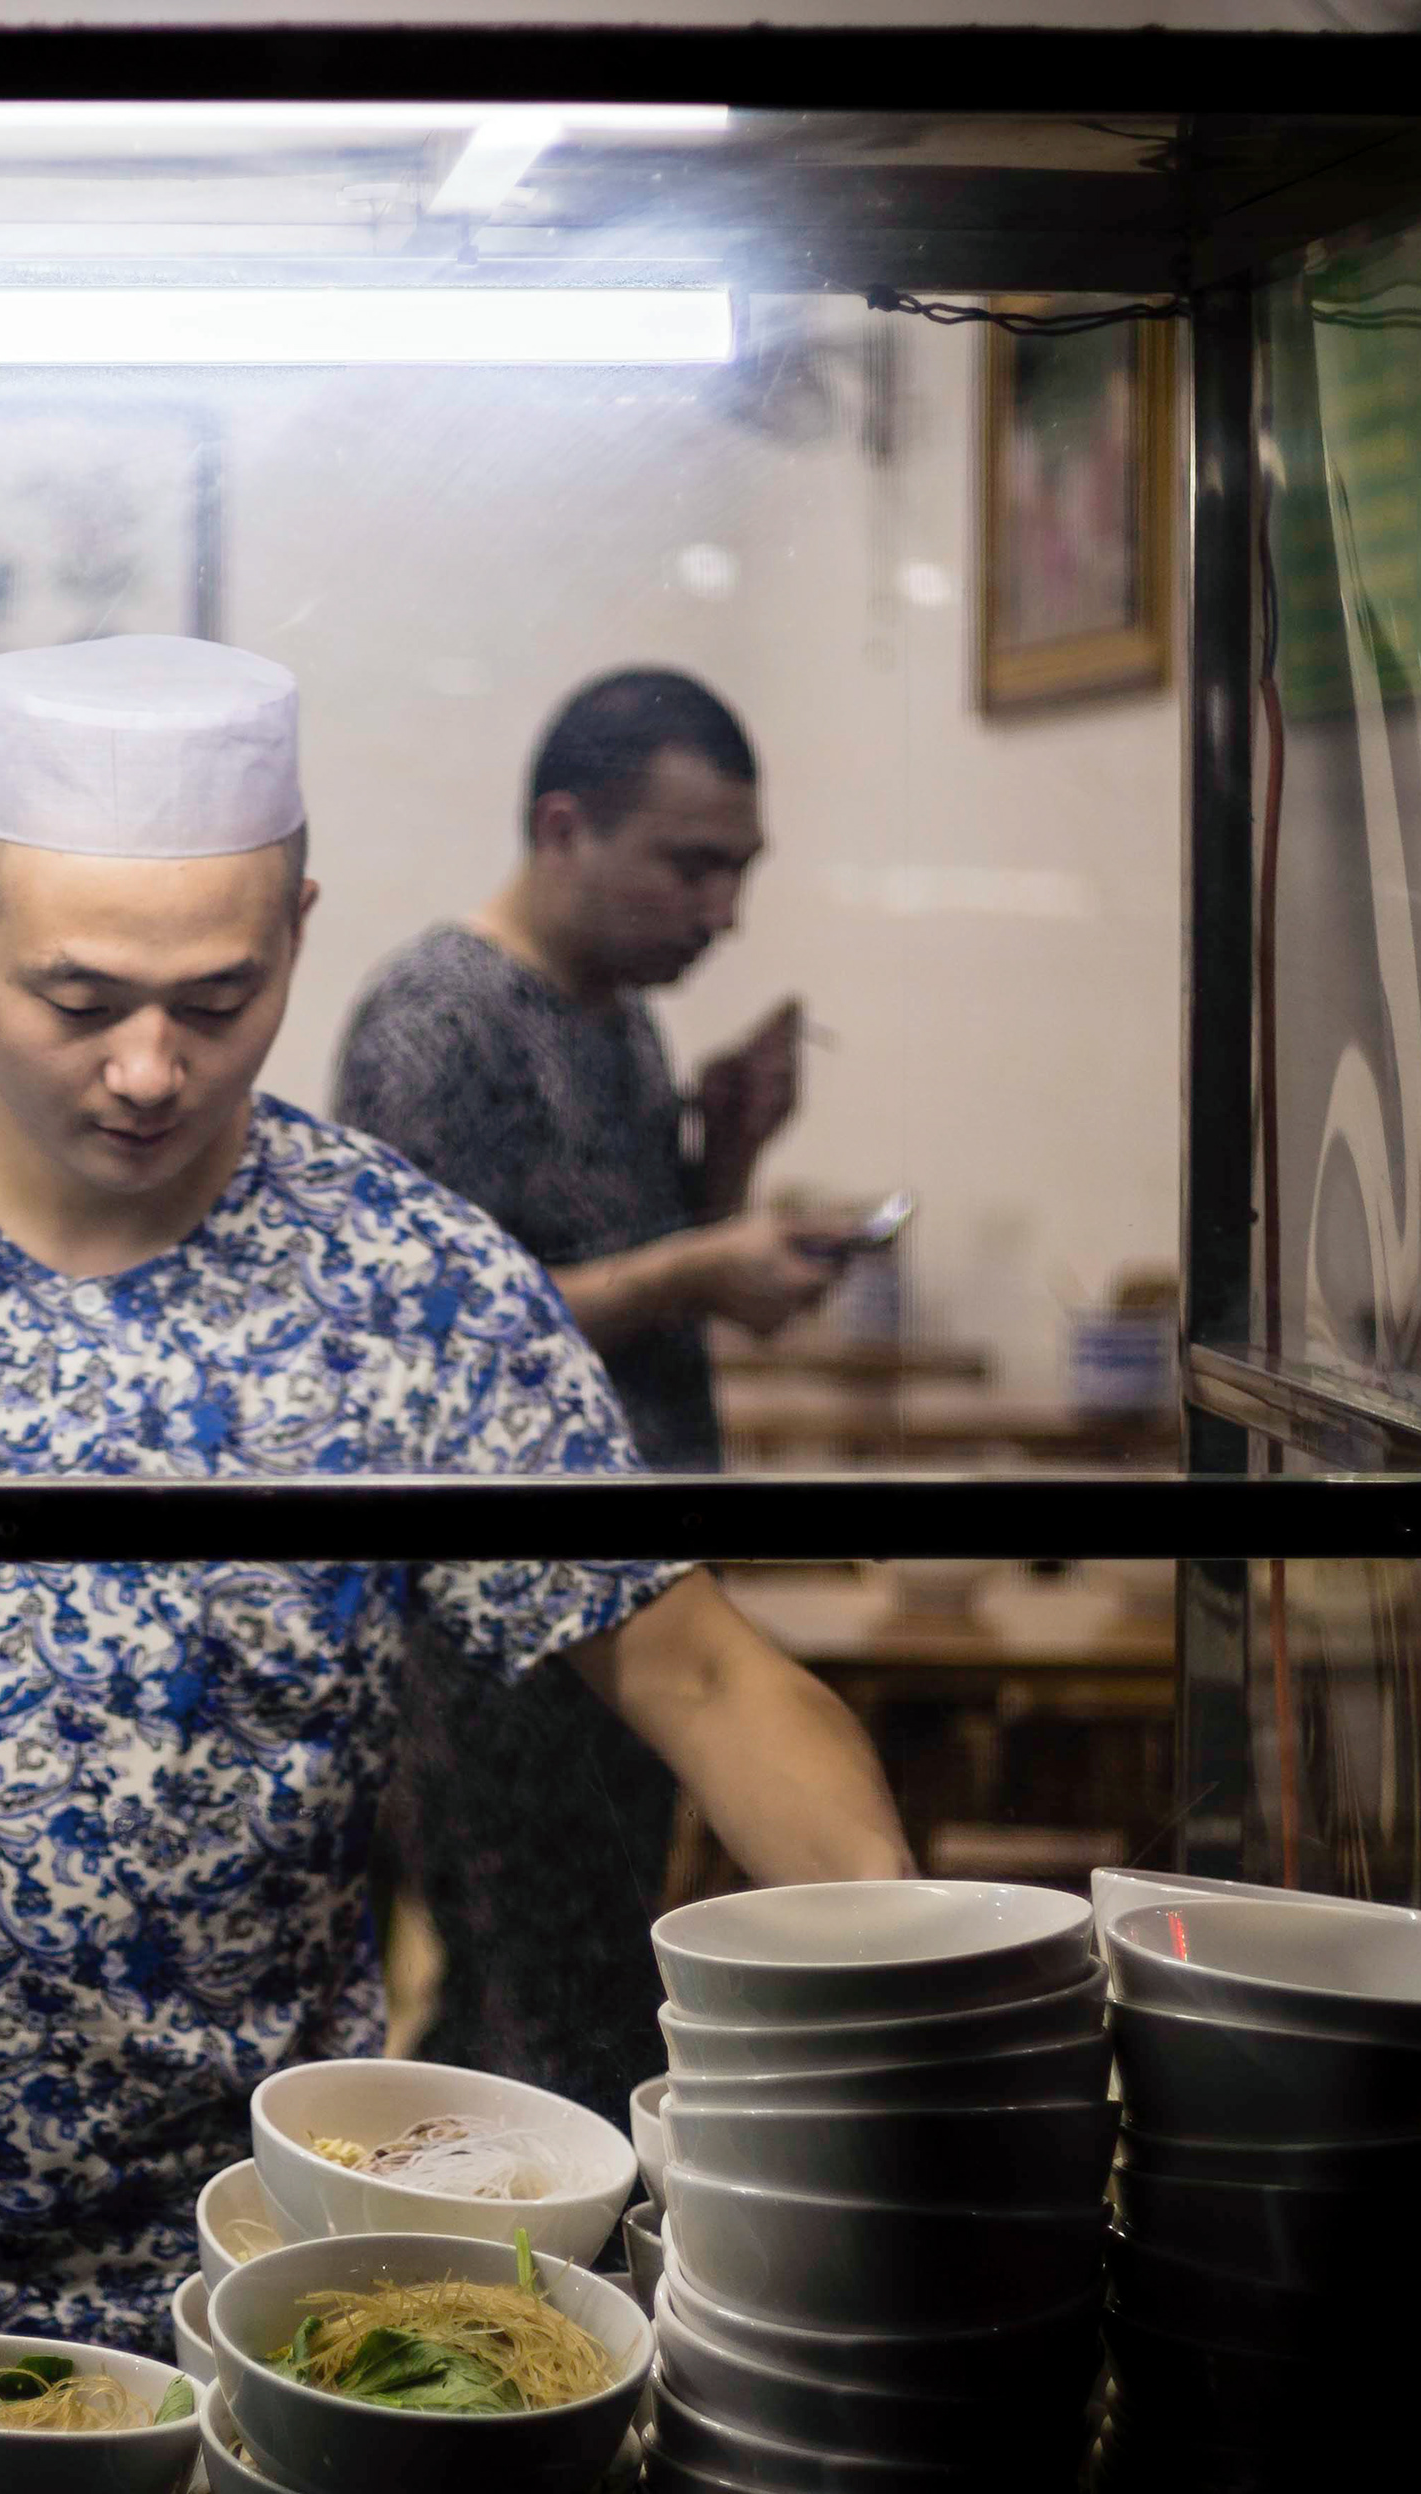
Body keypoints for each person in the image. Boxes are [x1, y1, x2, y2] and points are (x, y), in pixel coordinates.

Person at [0, 637, 908, 2445]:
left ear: (299, 935)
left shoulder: (411, 1286)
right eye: (79, 1000)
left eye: (218, 1001)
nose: (150, 1070)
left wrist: (927, 2009)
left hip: (246, 2294)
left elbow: (704, 1673)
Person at [329, 666, 842, 2128]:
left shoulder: (617, 1021)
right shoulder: (438, 1020)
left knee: (552, 1986)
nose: (722, 908)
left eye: (739, 869)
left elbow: (626, 1274)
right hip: (504, 1620)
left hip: (637, 1585)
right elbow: (427, 1339)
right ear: (565, 828)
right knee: (556, 2004)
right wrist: (698, 1261)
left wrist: (729, 1156)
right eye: (693, 863)